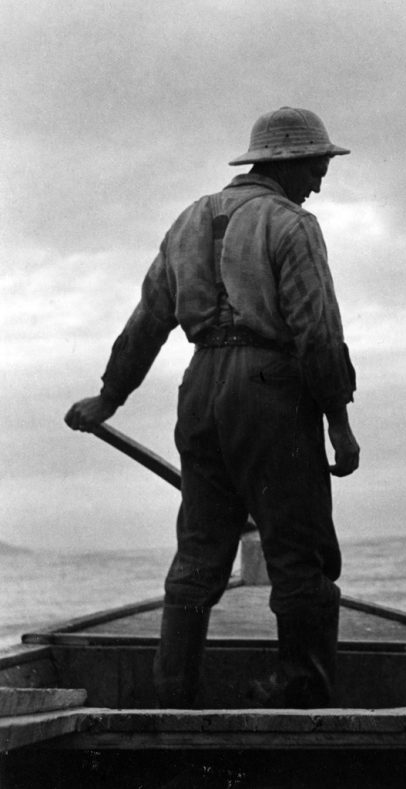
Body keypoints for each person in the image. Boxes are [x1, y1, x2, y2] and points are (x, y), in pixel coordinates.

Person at [65, 107, 359, 708]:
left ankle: (173, 691)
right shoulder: (293, 224)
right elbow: (318, 332)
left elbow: (148, 321)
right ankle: (301, 694)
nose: (320, 182)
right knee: (300, 552)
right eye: (318, 167)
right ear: (290, 163)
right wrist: (339, 424)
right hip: (270, 391)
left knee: (200, 549)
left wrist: (109, 397)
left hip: (200, 391)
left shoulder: (188, 220)